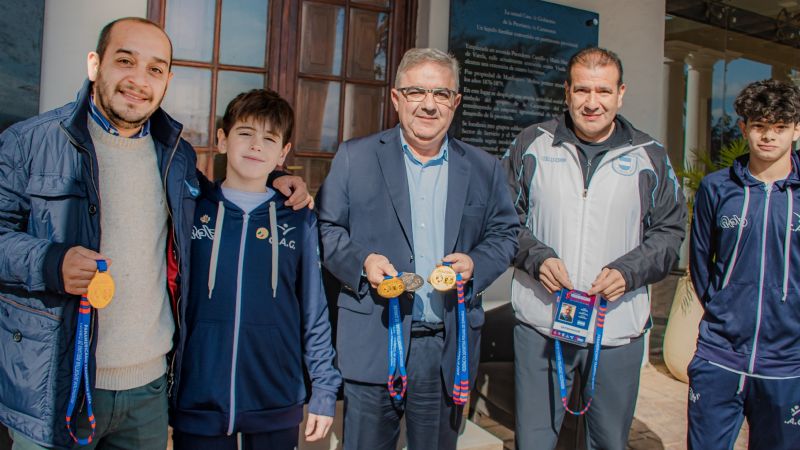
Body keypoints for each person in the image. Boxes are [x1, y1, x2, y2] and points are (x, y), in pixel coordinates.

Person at [0, 18, 309, 449]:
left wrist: (277, 177)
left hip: (146, 391)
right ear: (95, 64)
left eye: (155, 69)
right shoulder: (27, 143)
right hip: (56, 384)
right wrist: (50, 262)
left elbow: (227, 195)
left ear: (167, 80)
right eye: (125, 61)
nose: (138, 80)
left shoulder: (176, 157)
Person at [317, 48, 518, 450]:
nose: (428, 104)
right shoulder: (355, 157)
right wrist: (363, 262)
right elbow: (326, 227)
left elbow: (506, 233)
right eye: (416, 92)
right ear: (396, 98)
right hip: (375, 336)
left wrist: (476, 263)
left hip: (445, 346)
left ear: (455, 102)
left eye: (441, 94)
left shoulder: (484, 167)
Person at [503, 46, 686, 450]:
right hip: (542, 324)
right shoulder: (531, 144)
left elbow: (670, 232)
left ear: (621, 94)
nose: (592, 102)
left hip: (617, 329)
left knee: (607, 443)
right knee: (533, 442)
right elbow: (502, 222)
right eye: (582, 90)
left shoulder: (649, 156)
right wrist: (537, 257)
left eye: (603, 91)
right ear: (566, 92)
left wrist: (629, 270)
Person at [170, 88, 341, 450]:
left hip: (275, 397)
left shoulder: (298, 219)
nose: (255, 146)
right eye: (245, 133)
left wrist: (324, 387)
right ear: (221, 140)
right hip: (199, 398)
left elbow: (314, 310)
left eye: (269, 138)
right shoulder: (192, 209)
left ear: (283, 154)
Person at [688, 79, 800, 450]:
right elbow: (701, 263)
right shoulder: (716, 189)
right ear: (743, 128)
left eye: (780, 127)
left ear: (796, 129)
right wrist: (724, 309)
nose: (769, 137)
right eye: (759, 126)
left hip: (788, 364)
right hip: (719, 356)